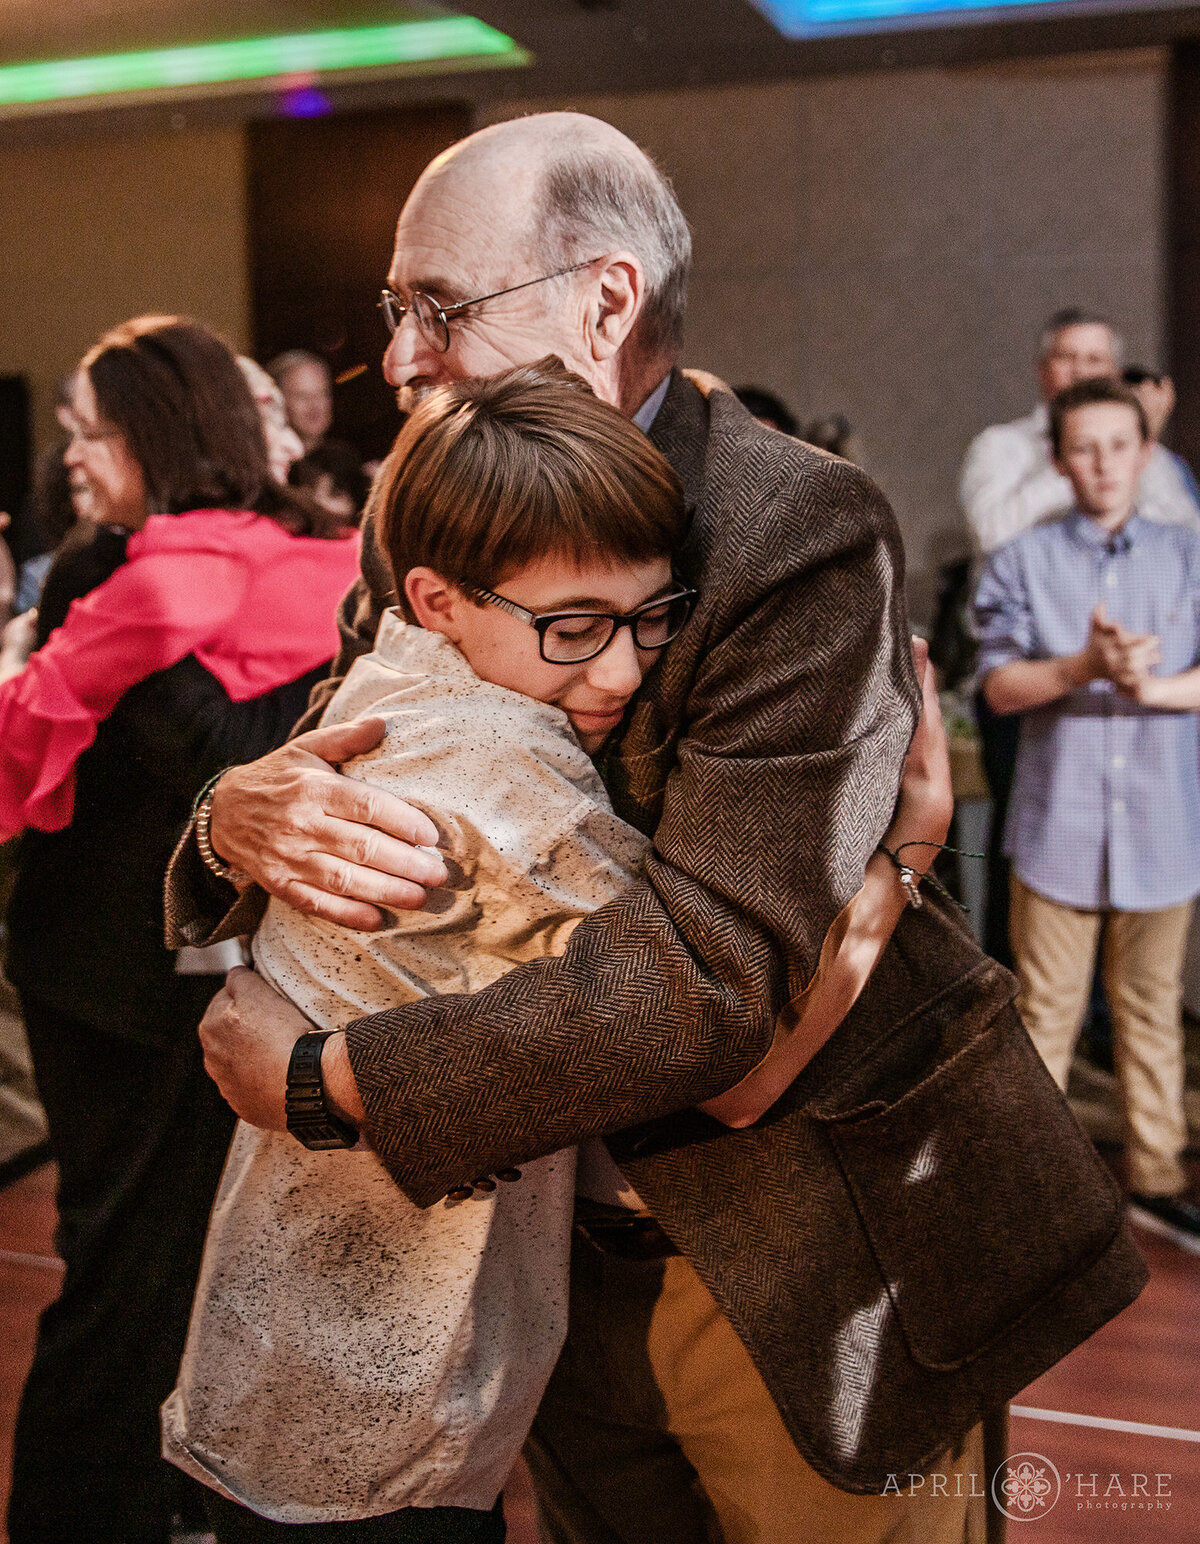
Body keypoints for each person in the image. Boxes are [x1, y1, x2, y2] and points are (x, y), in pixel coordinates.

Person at [174, 115, 1145, 1542]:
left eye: (437, 308)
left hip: (802, 1234)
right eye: (397, 313)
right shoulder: (420, 502)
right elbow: (346, 772)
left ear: (605, 300)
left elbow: (709, 975)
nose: (401, 360)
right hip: (541, 1241)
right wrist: (223, 824)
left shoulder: (793, 524)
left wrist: (329, 1083)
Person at [165, 358, 953, 1540]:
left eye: (649, 620)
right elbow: (727, 1013)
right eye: (576, 628)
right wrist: (916, 835)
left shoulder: (397, 668)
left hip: (273, 1343)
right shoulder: (514, 779)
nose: (625, 669)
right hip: (383, 1396)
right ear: (436, 595)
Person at [1, 315, 362, 1544]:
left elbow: (253, 762)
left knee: (235, 1263)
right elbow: (223, 758)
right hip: (110, 977)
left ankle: (183, 1493)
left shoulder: (300, 557)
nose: (72, 456)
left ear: (158, 431)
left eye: (89, 430)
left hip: (256, 971)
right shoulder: (117, 574)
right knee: (124, 1266)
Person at [976, 374, 1200, 1251]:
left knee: (1150, 1005)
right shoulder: (1021, 562)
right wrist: (1083, 669)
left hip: (1163, 823)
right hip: (1058, 827)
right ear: (1061, 460)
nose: (1104, 462)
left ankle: (1158, 1177)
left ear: (1146, 455)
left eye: (1120, 445)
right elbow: (997, 686)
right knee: (1045, 1014)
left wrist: (1151, 684)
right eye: (1085, 447)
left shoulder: (1188, 555)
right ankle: (1029, 1184)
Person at [959, 308, 1200, 966]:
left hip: (1152, 709)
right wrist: (1076, 445)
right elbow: (995, 528)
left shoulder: (1158, 470)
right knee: (1035, 848)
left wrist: (1128, 438)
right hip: (1039, 670)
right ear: (1044, 370)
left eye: (1097, 361)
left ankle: (1099, 1022)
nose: (1081, 370)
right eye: (1068, 358)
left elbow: (1176, 536)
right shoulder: (1005, 448)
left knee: (1139, 933)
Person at [269, 348, 338, 454]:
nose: (315, 406)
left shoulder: (345, 462)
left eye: (322, 393)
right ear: (278, 400)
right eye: (302, 396)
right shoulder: (270, 462)